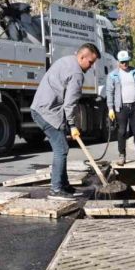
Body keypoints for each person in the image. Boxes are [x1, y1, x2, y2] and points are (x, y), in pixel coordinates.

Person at [31, 43, 101, 200]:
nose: (91, 67)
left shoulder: (66, 60)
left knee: (61, 146)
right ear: (82, 57)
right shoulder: (77, 74)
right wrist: (72, 125)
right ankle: (56, 190)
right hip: (47, 112)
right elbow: (70, 104)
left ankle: (64, 186)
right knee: (61, 149)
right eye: (90, 62)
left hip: (43, 109)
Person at [106, 50, 135, 166]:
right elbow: (109, 92)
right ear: (118, 62)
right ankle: (122, 155)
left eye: (126, 61)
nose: (125, 64)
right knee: (121, 132)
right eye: (122, 62)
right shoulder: (113, 75)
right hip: (121, 107)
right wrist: (110, 108)